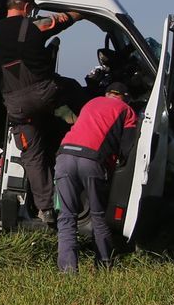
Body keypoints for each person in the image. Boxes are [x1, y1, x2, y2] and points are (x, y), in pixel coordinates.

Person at [0, 0, 82, 225]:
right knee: (72, 105)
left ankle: (45, 210)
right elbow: (63, 19)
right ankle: (76, 131)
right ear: (27, 8)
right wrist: (83, 13)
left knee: (33, 155)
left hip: (17, 107)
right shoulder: (35, 25)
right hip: (47, 98)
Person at [53, 82, 138, 272]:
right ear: (125, 97)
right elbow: (127, 149)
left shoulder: (91, 103)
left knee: (66, 217)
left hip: (64, 155)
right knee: (99, 217)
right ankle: (104, 265)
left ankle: (67, 271)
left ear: (107, 94)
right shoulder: (127, 110)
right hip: (92, 160)